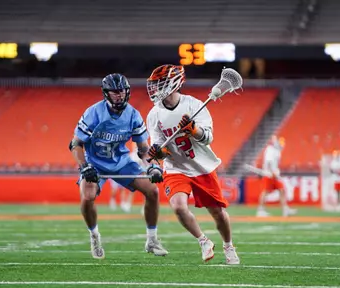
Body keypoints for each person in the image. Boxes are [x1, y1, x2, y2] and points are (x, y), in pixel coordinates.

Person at [146, 64, 240, 264]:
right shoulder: (154, 114)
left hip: (201, 166)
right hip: (176, 167)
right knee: (179, 207)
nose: (155, 89)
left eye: (159, 84)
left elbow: (207, 138)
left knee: (217, 213)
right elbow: (161, 149)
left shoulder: (194, 105)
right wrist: (158, 153)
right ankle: (203, 241)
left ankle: (228, 245)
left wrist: (192, 129)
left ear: (174, 83)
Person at [69, 73, 168, 258]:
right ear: (106, 93)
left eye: (121, 91)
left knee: (153, 191)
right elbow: (75, 144)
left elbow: (143, 149)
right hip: (95, 163)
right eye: (114, 92)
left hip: (121, 162)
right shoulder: (94, 113)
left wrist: (153, 165)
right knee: (87, 197)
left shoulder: (133, 115)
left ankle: (152, 240)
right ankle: (94, 235)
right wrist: (84, 166)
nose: (119, 95)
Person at [257, 135, 296, 217]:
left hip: (274, 174)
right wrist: (271, 172)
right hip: (269, 174)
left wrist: (276, 172)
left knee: (282, 190)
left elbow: (274, 164)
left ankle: (285, 209)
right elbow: (269, 162)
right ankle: (260, 210)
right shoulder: (270, 150)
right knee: (265, 191)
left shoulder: (277, 151)